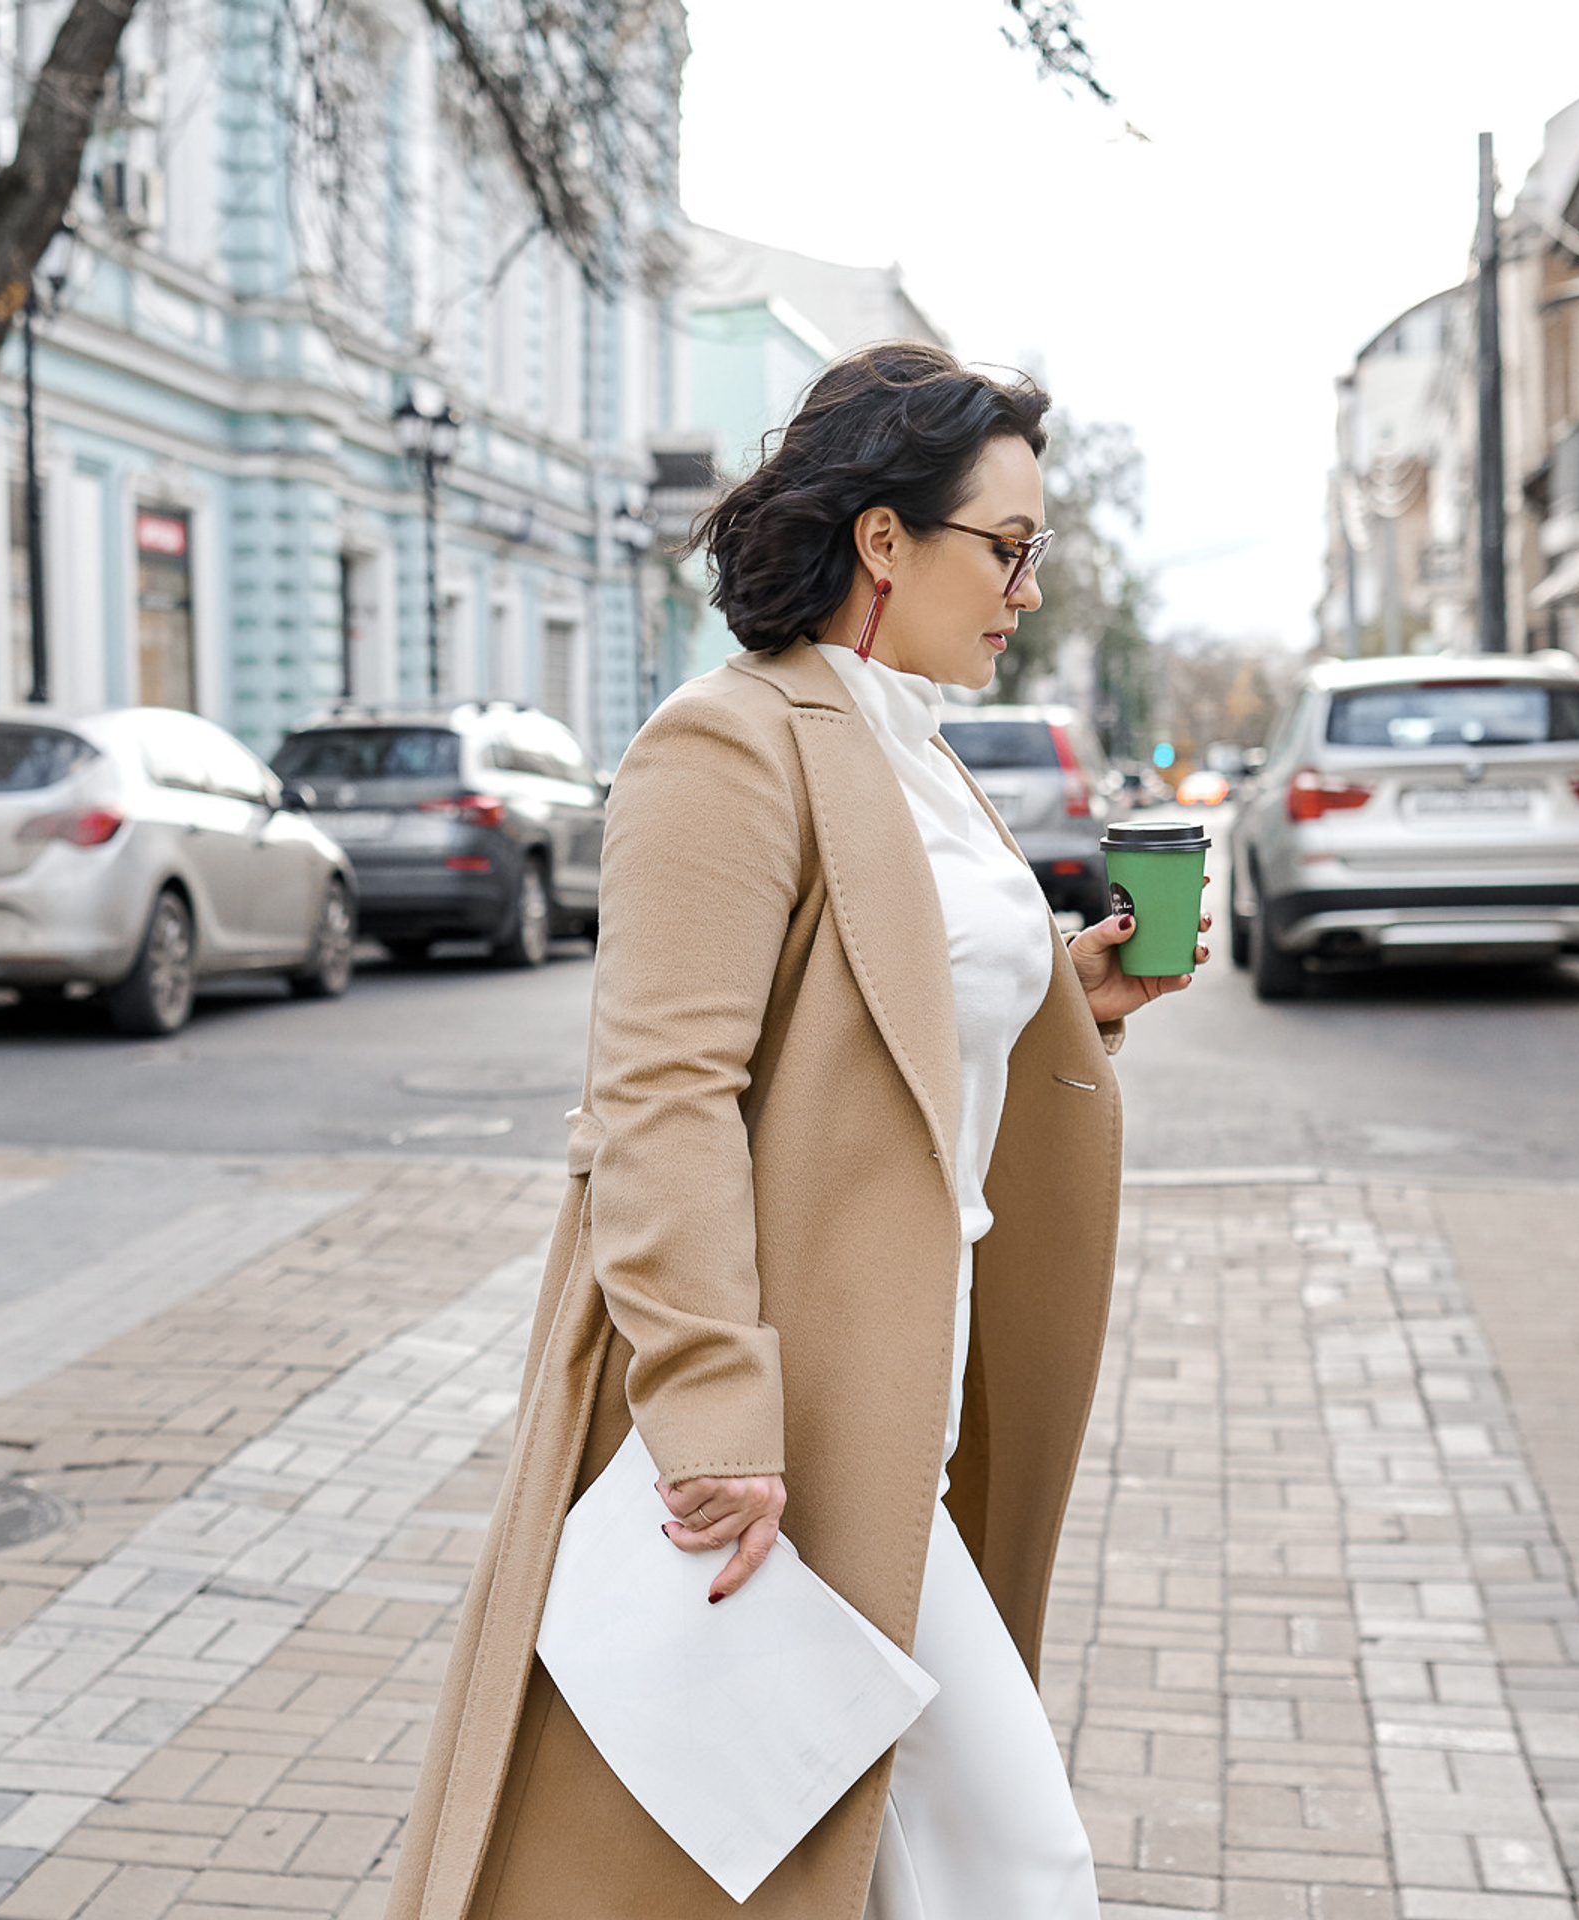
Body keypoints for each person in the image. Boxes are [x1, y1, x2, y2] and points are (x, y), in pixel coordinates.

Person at [382, 342, 1210, 1920]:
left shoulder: (908, 740)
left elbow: (889, 1014)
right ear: (883, 540)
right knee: (1010, 1856)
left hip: (919, 1369)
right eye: (1008, 546)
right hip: (801, 1394)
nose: (1030, 586)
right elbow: (660, 1098)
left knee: (877, 1847)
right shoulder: (728, 740)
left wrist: (1073, 995)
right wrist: (711, 1415)